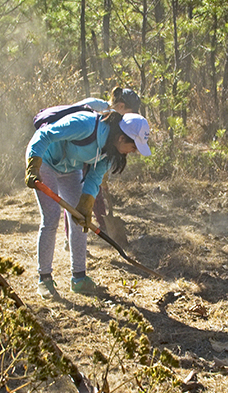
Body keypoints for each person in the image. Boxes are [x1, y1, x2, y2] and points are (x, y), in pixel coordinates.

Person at [24, 110, 150, 299]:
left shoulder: (111, 151)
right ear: (122, 137)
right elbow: (45, 135)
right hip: (46, 160)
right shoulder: (85, 125)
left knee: (80, 220)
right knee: (51, 217)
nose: (134, 152)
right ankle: (45, 278)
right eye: (133, 147)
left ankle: (79, 278)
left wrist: (86, 203)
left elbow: (94, 177)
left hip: (70, 169)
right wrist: (33, 165)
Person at [63, 87, 142, 236]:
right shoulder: (96, 107)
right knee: (75, 198)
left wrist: (102, 174)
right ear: (121, 107)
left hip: (93, 161)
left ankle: (101, 226)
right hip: (75, 158)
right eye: (130, 112)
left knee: (93, 193)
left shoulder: (115, 122)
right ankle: (71, 235)